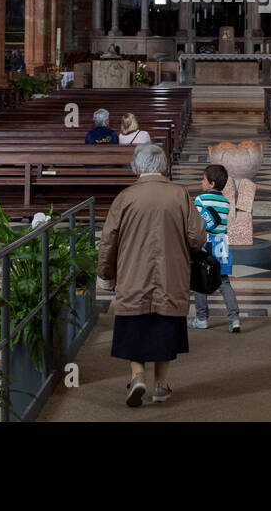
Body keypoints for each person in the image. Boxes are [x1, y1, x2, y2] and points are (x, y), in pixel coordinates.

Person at [97, 143, 206, 407]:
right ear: (164, 166)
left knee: (133, 324)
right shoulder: (180, 194)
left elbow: (108, 240)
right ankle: (160, 385)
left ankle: (137, 377)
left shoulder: (125, 197)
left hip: (133, 274)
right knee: (165, 326)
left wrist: (105, 274)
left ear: (135, 167)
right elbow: (197, 237)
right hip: (171, 274)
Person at [188, 164, 242, 333]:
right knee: (224, 282)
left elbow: (196, 225)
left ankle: (202, 318)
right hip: (221, 245)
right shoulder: (226, 203)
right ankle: (234, 319)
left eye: (203, 179)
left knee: (200, 280)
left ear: (211, 184)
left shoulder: (200, 200)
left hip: (204, 244)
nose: (201, 182)